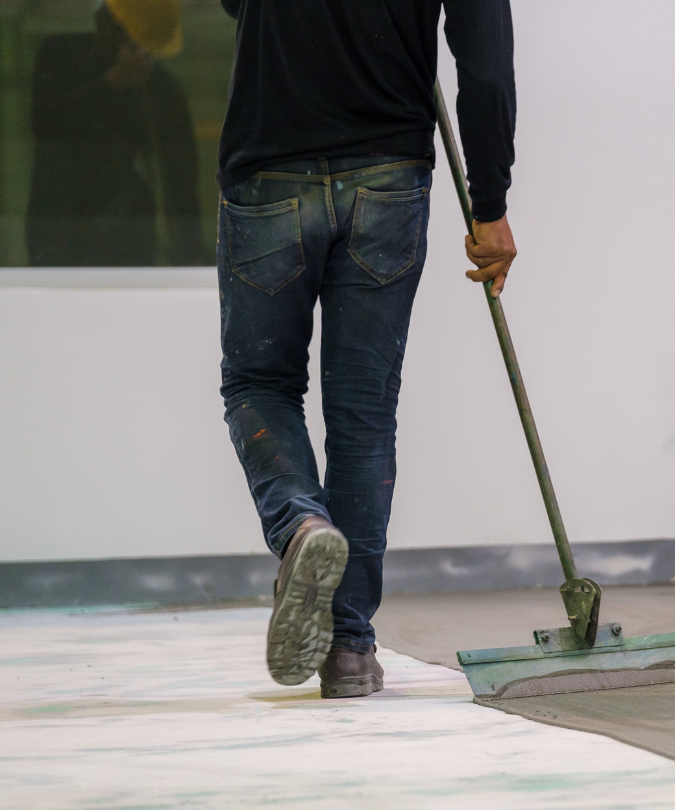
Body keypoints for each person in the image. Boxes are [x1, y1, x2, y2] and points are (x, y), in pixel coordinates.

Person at [217, 0, 517, 698]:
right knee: (363, 412)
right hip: (387, 172)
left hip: (270, 164)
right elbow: (486, 63)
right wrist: (490, 202)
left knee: (258, 382)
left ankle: (299, 525)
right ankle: (349, 649)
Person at [26, 0, 206, 267]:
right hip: (61, 225)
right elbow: (49, 127)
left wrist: (190, 252)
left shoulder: (161, 89)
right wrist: (111, 84)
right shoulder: (62, 57)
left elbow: (180, 178)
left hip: (129, 231)